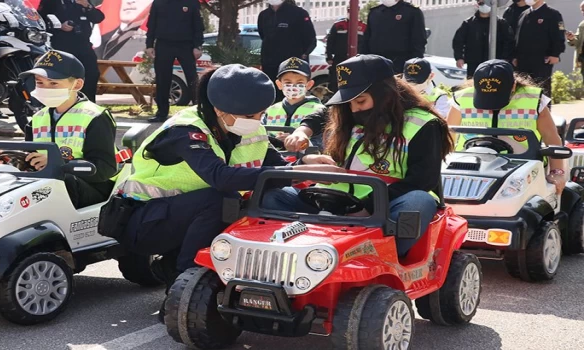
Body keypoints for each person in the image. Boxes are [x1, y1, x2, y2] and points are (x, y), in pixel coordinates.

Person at [114, 64, 344, 310]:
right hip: (142, 220)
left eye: (261, 114)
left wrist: (305, 162)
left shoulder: (244, 126)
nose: (256, 122)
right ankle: (182, 290)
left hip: (182, 216)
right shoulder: (185, 130)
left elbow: (274, 168)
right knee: (221, 198)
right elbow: (220, 177)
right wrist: (297, 171)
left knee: (270, 195)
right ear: (219, 109)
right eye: (250, 117)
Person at [263, 54, 455, 257]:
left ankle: (382, 259)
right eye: (348, 103)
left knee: (418, 201)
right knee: (274, 196)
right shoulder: (348, 112)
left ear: (384, 94)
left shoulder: (423, 124)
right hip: (332, 198)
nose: (354, 109)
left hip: (386, 203)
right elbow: (322, 115)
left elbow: (422, 180)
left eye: (360, 101)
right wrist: (303, 134)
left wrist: (368, 206)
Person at [15, 50, 119, 208]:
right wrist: (13, 161)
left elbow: (105, 168)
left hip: (94, 187)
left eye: (53, 83)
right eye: (40, 83)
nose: (45, 88)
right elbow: (31, 157)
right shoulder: (37, 118)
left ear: (77, 84)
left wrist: (60, 165)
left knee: (61, 183)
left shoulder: (95, 116)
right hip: (49, 185)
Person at [447, 59, 566, 194]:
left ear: (513, 85)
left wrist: (557, 172)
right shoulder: (461, 98)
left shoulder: (534, 100)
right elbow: (447, 136)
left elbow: (551, 137)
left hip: (523, 171)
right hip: (469, 167)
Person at [144, 0, 204, 123]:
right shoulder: (158, 3)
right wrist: (149, 44)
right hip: (164, 44)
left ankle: (199, 111)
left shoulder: (191, 2)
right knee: (162, 79)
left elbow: (198, 26)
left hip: (186, 45)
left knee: (192, 79)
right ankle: (162, 113)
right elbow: (151, 25)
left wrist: (197, 46)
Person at [37, 0, 104, 102]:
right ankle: (63, 103)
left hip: (83, 45)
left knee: (91, 73)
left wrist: (87, 6)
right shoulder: (51, 1)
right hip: (62, 45)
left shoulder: (83, 1)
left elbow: (98, 17)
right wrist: (60, 26)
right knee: (63, 76)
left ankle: (88, 103)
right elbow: (40, 20)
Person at [258, 0, 317, 102]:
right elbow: (263, 36)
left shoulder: (299, 13)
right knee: (273, 96)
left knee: (294, 97)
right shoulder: (264, 15)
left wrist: (303, 54)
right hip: (270, 64)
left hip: (293, 65)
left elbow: (310, 38)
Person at [261, 57, 326, 150]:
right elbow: (260, 137)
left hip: (305, 161)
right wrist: (276, 142)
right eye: (288, 82)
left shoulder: (319, 111)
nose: (293, 87)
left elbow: (322, 143)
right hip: (275, 162)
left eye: (299, 82)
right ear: (279, 84)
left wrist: (298, 142)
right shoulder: (271, 110)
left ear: (309, 85)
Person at [512, 0, 565, 99]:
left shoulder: (553, 14)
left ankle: (544, 113)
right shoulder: (524, 14)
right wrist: (515, 56)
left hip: (542, 60)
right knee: (523, 89)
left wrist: (556, 54)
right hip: (523, 60)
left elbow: (559, 36)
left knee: (541, 89)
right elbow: (518, 37)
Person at [360, 0, 427, 72]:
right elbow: (366, 41)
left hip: (400, 65)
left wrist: (413, 66)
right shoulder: (375, 12)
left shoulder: (412, 11)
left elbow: (419, 42)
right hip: (375, 65)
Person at [452, 1, 514, 77]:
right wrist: (459, 57)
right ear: (477, 5)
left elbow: (509, 41)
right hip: (474, 64)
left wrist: (505, 58)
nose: (484, 5)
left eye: (487, 3)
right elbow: (458, 41)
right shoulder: (468, 23)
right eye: (481, 3)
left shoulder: (501, 23)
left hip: (495, 64)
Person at [325, 5, 367, 92]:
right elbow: (330, 41)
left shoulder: (363, 27)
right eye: (349, 10)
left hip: (357, 59)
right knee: (335, 82)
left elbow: (366, 44)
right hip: (339, 58)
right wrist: (329, 56)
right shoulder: (338, 25)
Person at [566, 1, 584, 81]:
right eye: (582, 10)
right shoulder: (582, 25)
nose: (583, 12)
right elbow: (578, 42)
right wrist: (571, 38)